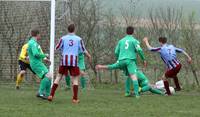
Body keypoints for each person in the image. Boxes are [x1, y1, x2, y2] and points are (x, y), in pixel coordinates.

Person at [96, 26, 145, 99]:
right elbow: (139, 50)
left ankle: (127, 92)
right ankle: (137, 94)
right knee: (134, 76)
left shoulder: (121, 41)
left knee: (114, 67)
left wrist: (119, 59)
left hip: (121, 60)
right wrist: (143, 59)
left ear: (126, 32)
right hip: (130, 60)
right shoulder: (134, 41)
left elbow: (116, 52)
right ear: (133, 32)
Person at [48, 24, 86, 103]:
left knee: (58, 77)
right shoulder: (79, 39)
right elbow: (82, 49)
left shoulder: (63, 38)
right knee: (75, 79)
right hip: (74, 61)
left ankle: (51, 95)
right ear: (74, 29)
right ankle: (75, 99)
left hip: (64, 60)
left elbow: (57, 48)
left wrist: (63, 49)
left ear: (67, 30)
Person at [27, 29, 52, 99]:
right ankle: (40, 93)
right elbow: (35, 54)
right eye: (39, 34)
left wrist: (45, 59)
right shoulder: (33, 43)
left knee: (49, 76)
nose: (40, 35)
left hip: (37, 63)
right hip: (36, 64)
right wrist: (45, 55)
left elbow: (32, 54)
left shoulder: (33, 42)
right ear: (37, 34)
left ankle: (47, 95)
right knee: (47, 76)